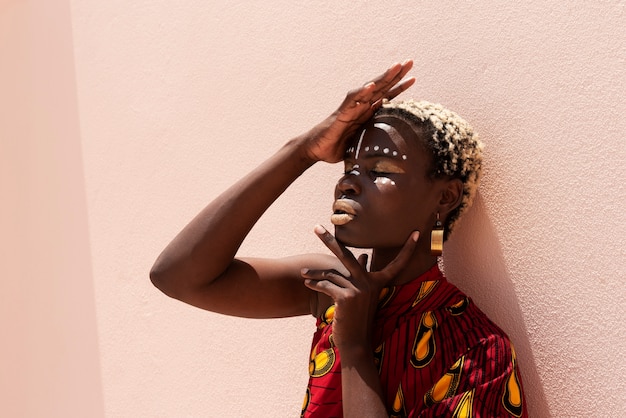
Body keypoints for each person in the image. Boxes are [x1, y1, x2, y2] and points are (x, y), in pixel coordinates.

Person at [150, 60, 527, 417]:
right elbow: (177, 276)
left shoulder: (480, 352)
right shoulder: (329, 287)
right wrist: (302, 150)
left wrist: (355, 348)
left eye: (379, 168)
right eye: (350, 166)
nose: (347, 181)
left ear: (444, 197)